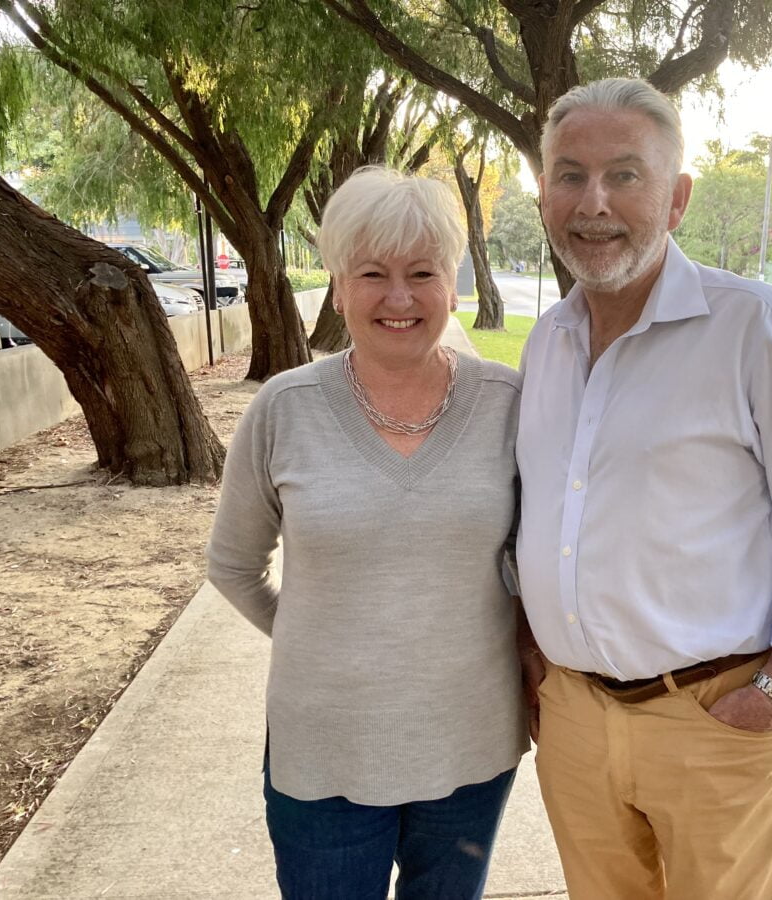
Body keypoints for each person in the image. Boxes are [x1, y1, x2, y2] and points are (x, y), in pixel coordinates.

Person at [515, 78, 772, 899]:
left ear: (678, 198)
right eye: (570, 175)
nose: (594, 203)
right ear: (543, 193)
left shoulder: (755, 327)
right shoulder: (545, 344)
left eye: (625, 175)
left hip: (714, 717)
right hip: (576, 721)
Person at [206, 167, 527, 900]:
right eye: (372, 273)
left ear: (453, 280)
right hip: (324, 749)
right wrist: (317, 638)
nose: (400, 297)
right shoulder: (285, 410)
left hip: (470, 745)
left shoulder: (510, 404)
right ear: (339, 283)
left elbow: (537, 556)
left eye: (423, 273)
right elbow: (232, 565)